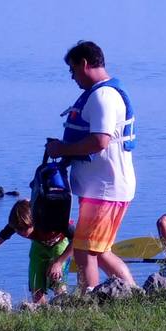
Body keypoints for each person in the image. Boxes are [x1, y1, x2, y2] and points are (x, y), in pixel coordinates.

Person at [44, 40, 138, 292]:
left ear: (84, 64)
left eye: (73, 70)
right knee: (101, 251)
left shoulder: (103, 96)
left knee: (85, 253)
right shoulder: (101, 93)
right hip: (101, 188)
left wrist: (61, 149)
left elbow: (99, 141)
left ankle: (89, 303)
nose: (73, 78)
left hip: (106, 189)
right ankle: (133, 294)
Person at [0, 198, 75, 303]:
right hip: (39, 246)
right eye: (18, 230)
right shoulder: (15, 224)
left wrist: (59, 262)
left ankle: (63, 307)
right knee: (36, 286)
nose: (23, 233)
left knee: (57, 280)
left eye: (25, 229)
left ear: (34, 221)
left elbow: (77, 239)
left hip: (60, 243)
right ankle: (42, 312)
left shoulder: (53, 219)